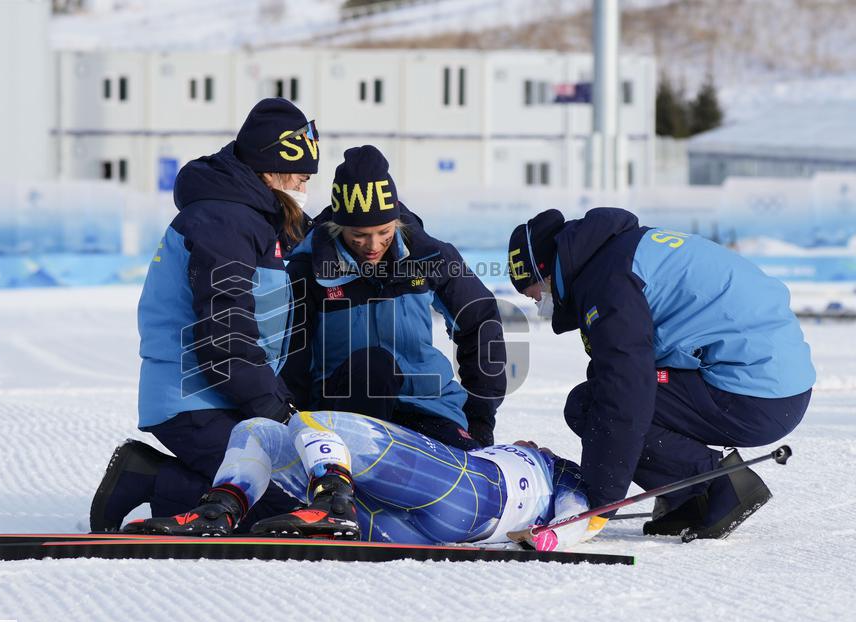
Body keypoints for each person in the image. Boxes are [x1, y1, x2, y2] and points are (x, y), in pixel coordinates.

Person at [507, 207, 815, 541]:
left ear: (545, 273)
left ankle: (718, 486)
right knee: (607, 392)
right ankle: (690, 498)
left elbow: (624, 391)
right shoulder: (615, 253)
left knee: (596, 402)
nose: (538, 304)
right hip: (775, 380)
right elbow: (619, 363)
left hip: (755, 393)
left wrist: (599, 504)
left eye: (533, 293)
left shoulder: (609, 281)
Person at [89, 98, 321, 532]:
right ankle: (151, 480)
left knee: (291, 488)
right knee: (282, 504)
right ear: (270, 168)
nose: (304, 186)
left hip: (223, 396)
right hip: (194, 400)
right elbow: (224, 330)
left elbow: (322, 236)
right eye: (300, 176)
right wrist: (271, 406)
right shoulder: (225, 221)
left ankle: (155, 475)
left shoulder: (254, 216)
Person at [282, 145, 507, 451]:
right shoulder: (308, 269)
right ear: (338, 227)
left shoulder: (429, 256)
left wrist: (480, 416)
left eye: (384, 231)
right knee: (373, 365)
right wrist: (298, 425)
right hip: (343, 415)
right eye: (359, 235)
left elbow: (479, 317)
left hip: (426, 408)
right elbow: (292, 360)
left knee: (469, 473)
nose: (372, 245)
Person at [123, 410, 607, 551]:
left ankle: (331, 500)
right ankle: (219, 511)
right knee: (257, 431)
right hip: (430, 527)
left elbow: (584, 516)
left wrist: (548, 537)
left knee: (311, 421)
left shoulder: (560, 467)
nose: (532, 441)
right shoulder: (508, 451)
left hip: (476, 492)